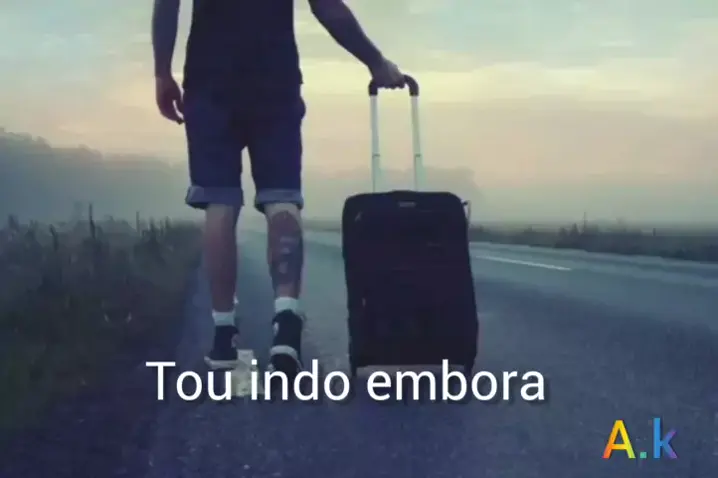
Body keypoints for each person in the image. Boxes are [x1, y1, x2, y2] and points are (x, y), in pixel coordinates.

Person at [151, 0, 405, 379]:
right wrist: (375, 62)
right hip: (275, 79)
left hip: (209, 80)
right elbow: (328, 8)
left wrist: (162, 73)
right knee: (282, 198)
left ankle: (223, 335)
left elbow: (167, 4)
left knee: (219, 203)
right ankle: (286, 327)